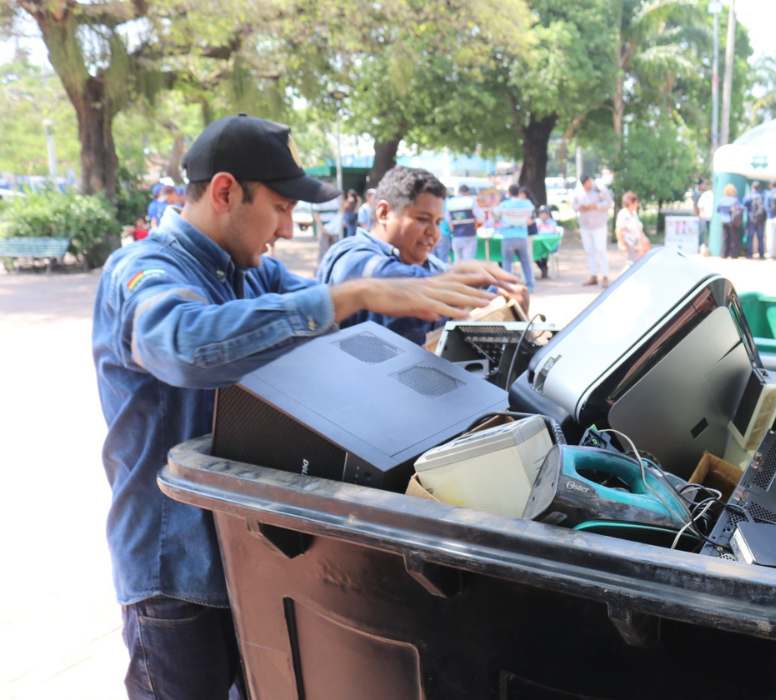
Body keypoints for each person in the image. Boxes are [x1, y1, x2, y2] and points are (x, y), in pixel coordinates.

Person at [92, 115, 501, 700]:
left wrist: (430, 287)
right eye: (281, 207)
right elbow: (184, 344)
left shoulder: (250, 273)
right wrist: (353, 292)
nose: (287, 228)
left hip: (244, 554)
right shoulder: (144, 269)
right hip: (173, 573)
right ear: (226, 191)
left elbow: (328, 316)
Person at [318, 167, 524, 345]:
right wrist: (458, 283)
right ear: (383, 213)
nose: (433, 233)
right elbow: (390, 278)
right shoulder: (350, 256)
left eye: (437, 222)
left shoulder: (432, 266)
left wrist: (504, 297)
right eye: (423, 219)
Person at [572, 174, 613, 287]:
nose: (586, 187)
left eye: (587, 184)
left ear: (590, 181)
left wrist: (595, 206)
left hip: (599, 224)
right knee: (589, 250)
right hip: (585, 225)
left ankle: (605, 276)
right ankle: (593, 275)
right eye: (584, 185)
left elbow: (609, 203)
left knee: (601, 250)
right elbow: (573, 205)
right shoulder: (578, 191)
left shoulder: (600, 188)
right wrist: (581, 207)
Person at [496, 184, 537, 291]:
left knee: (507, 262)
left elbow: (495, 214)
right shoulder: (526, 203)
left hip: (508, 236)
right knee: (525, 262)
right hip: (522, 236)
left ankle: (508, 286)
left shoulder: (504, 204)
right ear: (518, 192)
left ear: (508, 193)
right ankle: (530, 285)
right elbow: (531, 215)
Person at [446, 184, 482, 263]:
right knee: (468, 261)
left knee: (457, 260)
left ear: (459, 192)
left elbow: (448, 219)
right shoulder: (471, 201)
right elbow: (480, 216)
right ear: (467, 192)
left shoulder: (450, 202)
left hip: (456, 235)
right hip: (469, 234)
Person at [616, 191, 651, 268]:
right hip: (630, 241)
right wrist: (621, 243)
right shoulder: (623, 213)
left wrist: (644, 239)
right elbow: (619, 229)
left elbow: (639, 229)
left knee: (644, 251)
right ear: (630, 202)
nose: (637, 204)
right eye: (636, 202)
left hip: (637, 240)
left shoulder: (634, 213)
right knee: (633, 262)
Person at [715, 184, 742, 258]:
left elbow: (717, 210)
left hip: (723, 221)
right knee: (734, 238)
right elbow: (739, 209)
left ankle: (724, 254)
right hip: (732, 221)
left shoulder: (721, 200)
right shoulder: (734, 200)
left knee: (725, 238)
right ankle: (733, 254)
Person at [743, 182, 768, 259]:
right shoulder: (763, 196)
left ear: (752, 187)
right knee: (760, 237)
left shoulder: (749, 196)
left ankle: (750, 254)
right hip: (761, 220)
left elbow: (744, 204)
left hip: (751, 219)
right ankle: (761, 254)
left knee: (750, 237)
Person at [695, 180, 714, 251]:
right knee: (703, 233)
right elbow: (699, 206)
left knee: (708, 233)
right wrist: (700, 214)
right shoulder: (705, 194)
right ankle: (702, 246)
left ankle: (707, 247)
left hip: (711, 218)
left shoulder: (706, 194)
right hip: (705, 217)